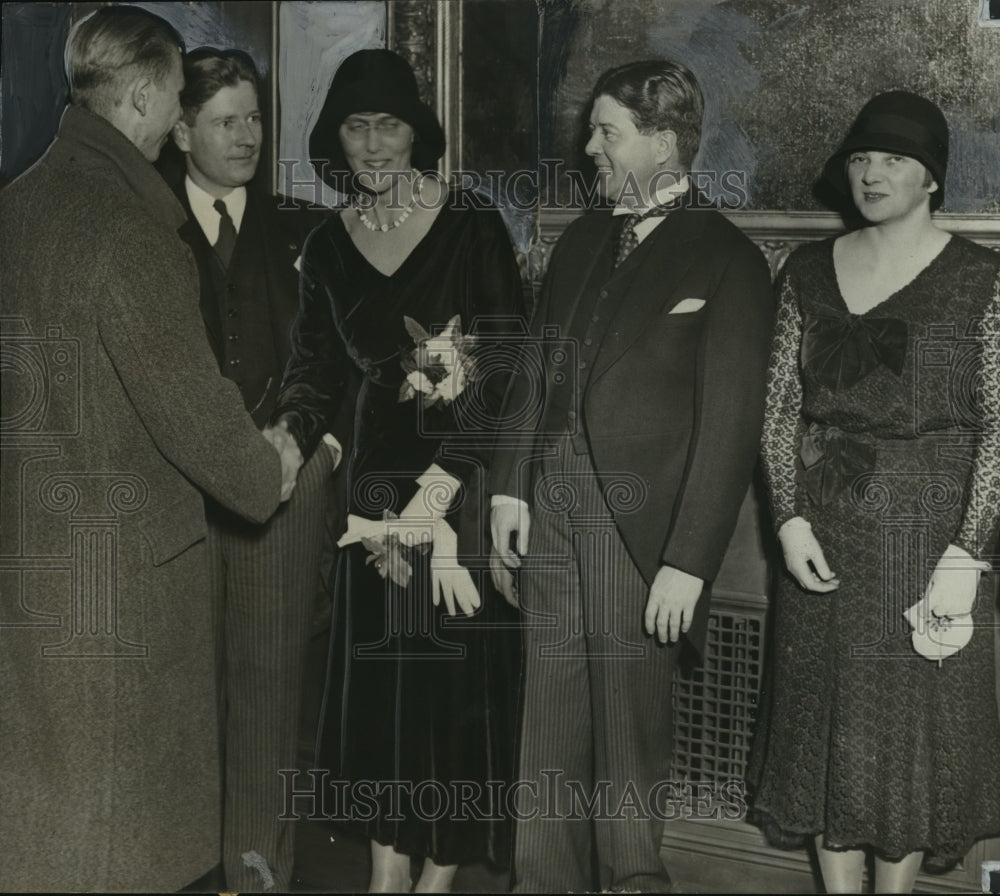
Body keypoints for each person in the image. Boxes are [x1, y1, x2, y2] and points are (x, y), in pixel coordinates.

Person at [0, 7, 300, 892]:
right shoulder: (133, 229)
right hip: (124, 584)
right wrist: (267, 465)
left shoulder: (17, 205)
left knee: (44, 828)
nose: (180, 123)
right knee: (125, 844)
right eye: (175, 102)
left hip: (33, 567)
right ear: (137, 96)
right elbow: (193, 410)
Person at [488, 58, 775, 893]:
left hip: (640, 528)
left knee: (627, 732)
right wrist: (509, 486)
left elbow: (729, 429)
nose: (589, 148)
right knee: (546, 722)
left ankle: (633, 882)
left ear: (664, 141)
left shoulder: (728, 259)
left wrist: (688, 561)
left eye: (607, 132)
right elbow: (535, 371)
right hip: (551, 503)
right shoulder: (579, 237)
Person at [270, 49, 525, 893]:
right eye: (356, 125)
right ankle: (387, 871)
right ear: (333, 139)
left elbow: (509, 370)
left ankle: (439, 875)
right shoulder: (327, 245)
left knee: (449, 677)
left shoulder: (472, 222)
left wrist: (442, 497)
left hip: (463, 474)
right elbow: (314, 372)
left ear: (419, 135)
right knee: (383, 679)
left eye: (390, 125)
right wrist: (285, 439)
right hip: (374, 481)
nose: (374, 144)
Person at [747, 90, 1000, 893]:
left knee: (907, 732)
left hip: (931, 535)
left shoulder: (981, 279)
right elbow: (780, 407)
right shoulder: (808, 270)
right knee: (827, 726)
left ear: (932, 179)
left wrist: (970, 551)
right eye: (861, 157)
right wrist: (787, 518)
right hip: (826, 527)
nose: (872, 173)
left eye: (894, 158)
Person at [166, 47, 342, 892]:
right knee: (184, 697)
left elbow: (328, 355)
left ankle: (257, 878)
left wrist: (298, 439)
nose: (246, 136)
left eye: (255, 118)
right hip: (175, 493)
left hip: (285, 483)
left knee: (269, 699)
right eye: (225, 120)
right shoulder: (143, 224)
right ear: (179, 127)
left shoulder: (305, 229)